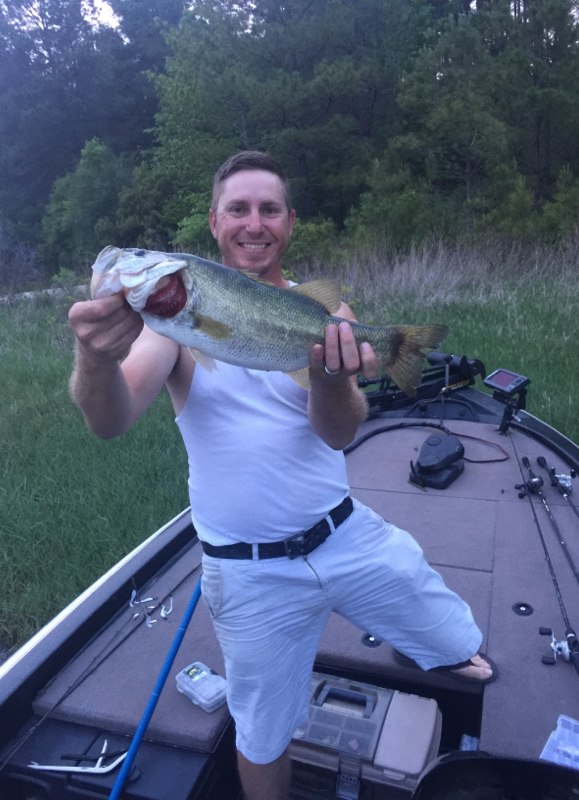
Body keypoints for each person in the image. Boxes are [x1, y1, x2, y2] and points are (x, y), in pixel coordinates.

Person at [68, 151, 495, 800]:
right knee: (263, 734)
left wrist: (331, 377)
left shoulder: (328, 312)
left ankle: (438, 649)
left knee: (458, 641)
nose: (254, 223)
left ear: (290, 222)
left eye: (269, 209)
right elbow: (110, 420)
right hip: (249, 571)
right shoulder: (171, 325)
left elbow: (340, 433)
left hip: (347, 536)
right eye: (238, 209)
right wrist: (94, 360)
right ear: (215, 222)